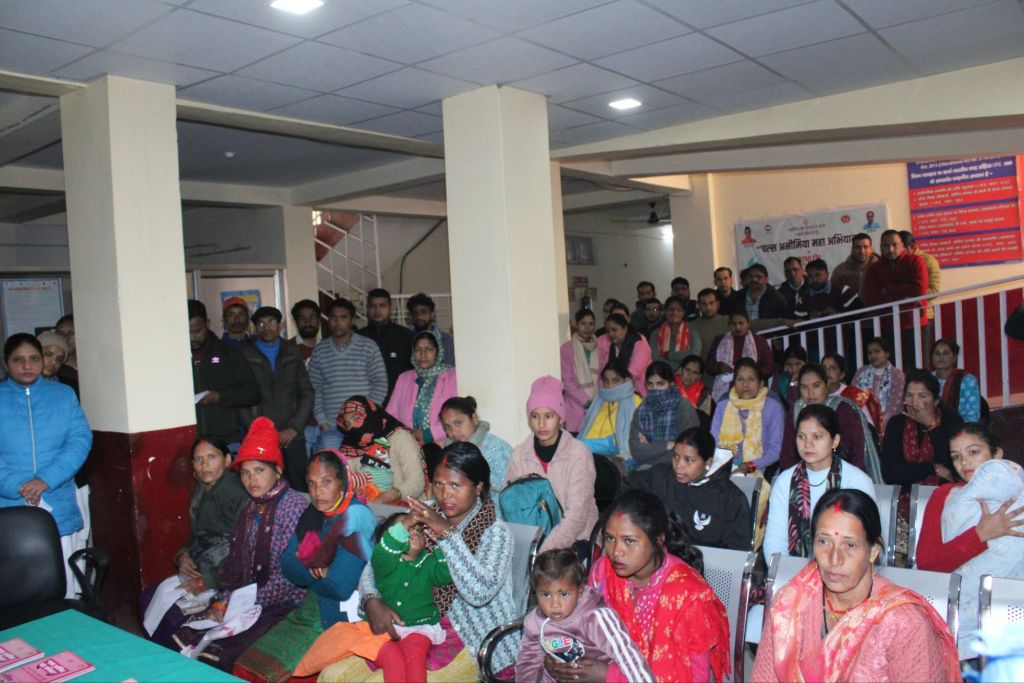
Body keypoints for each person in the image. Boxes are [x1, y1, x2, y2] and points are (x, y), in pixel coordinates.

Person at [335, 442, 520, 680]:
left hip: (469, 636)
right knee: (334, 675)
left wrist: (447, 535)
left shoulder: (495, 534)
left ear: (478, 487)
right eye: (438, 484)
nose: (445, 494)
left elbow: (479, 593)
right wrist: (371, 599)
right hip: (410, 620)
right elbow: (379, 561)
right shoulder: (424, 512)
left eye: (455, 485)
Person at [753, 488, 960, 682]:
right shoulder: (790, 606)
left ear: (873, 551)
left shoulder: (904, 624)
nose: (834, 559)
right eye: (824, 542)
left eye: (850, 545)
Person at [171, 417, 309, 671]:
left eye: (259, 470)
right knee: (188, 634)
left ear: (278, 471)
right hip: (246, 597)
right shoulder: (251, 508)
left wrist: (238, 601)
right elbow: (235, 564)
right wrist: (223, 600)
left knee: (221, 652)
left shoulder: (293, 508)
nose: (251, 479)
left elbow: (289, 578)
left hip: (284, 600)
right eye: (245, 472)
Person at [232, 451, 376, 683]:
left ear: (343, 481)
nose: (318, 492)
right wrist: (318, 569)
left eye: (326, 482)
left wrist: (305, 562)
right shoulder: (314, 513)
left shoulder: (357, 519)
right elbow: (287, 565)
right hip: (309, 606)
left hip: (338, 617)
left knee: (275, 676)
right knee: (245, 667)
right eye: (312, 483)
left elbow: (339, 588)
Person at [578, 490, 732, 682]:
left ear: (658, 540)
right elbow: (586, 631)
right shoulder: (603, 572)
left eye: (629, 541)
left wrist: (609, 676)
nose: (616, 551)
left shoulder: (689, 597)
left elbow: (696, 677)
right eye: (610, 539)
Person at [0, 333, 92, 598]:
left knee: (62, 585)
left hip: (56, 500)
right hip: (10, 506)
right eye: (18, 360)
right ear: (6, 363)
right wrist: (18, 486)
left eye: (33, 359)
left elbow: (80, 441)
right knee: (16, 587)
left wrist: (46, 480)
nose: (27, 366)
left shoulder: (63, 395)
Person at [916, 423, 1024, 638]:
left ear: (997, 455)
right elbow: (927, 563)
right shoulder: (944, 497)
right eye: (956, 457)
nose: (964, 462)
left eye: (973, 452)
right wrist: (980, 535)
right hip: (957, 613)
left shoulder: (1018, 495)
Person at [140, 436, 249, 646]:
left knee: (173, 616)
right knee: (149, 597)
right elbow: (198, 536)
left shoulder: (237, 495)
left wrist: (206, 580)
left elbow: (243, 550)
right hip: (202, 566)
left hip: (225, 578)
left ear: (227, 460)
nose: (204, 465)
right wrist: (183, 555)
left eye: (211, 457)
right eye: (198, 459)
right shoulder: (202, 490)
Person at [515, 549, 653, 682]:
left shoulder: (596, 618)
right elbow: (528, 664)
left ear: (579, 590)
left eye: (564, 594)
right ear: (535, 591)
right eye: (546, 595)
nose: (555, 604)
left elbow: (628, 656)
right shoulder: (535, 622)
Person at [763, 405, 876, 560]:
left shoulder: (857, 481)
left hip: (845, 566)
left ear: (835, 441)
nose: (807, 444)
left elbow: (866, 540)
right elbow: (774, 542)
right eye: (801, 436)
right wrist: (788, 572)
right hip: (794, 570)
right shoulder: (785, 481)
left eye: (817, 437)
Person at [506, 376, 598, 553]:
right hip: (532, 540)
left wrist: (541, 552)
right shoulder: (519, 455)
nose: (541, 424)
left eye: (549, 416)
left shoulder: (578, 453)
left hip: (577, 539)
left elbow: (576, 517)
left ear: (560, 418)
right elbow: (512, 507)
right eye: (535, 416)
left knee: (552, 569)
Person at [625, 427, 751, 550]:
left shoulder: (730, 498)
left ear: (708, 463)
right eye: (676, 456)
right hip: (662, 556)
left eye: (689, 460)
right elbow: (625, 486)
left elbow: (737, 550)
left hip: (706, 561)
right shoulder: (661, 477)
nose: (678, 466)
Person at [365, 510, 454, 683]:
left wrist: (441, 543)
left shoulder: (428, 562)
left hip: (420, 626)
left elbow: (446, 575)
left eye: (418, 530)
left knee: (415, 657)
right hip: (386, 627)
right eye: (406, 528)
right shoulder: (384, 563)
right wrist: (406, 523)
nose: (414, 531)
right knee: (393, 662)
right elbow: (385, 549)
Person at [239, 305, 315, 492]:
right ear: (255, 328)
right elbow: (239, 399)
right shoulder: (244, 353)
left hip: (292, 435)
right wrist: (258, 430)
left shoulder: (292, 352)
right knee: (264, 487)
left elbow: (307, 392)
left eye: (271, 322)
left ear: (280, 325)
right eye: (261, 323)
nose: (267, 327)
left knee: (299, 487)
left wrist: (295, 427)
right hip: (259, 436)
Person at [780, 364, 883, 483]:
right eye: (804, 387)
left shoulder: (843, 409)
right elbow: (788, 455)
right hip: (803, 478)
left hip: (844, 477)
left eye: (816, 386)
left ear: (827, 385)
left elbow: (856, 455)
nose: (810, 393)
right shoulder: (796, 411)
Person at [309, 297, 388, 451]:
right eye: (333, 317)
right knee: (331, 466)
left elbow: (380, 383)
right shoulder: (319, 351)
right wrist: (322, 421)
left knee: (365, 466)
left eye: (343, 317)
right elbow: (315, 388)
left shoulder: (368, 346)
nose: (337, 322)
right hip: (332, 428)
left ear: (351, 320)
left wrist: (366, 416)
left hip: (364, 426)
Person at [189, 299, 260, 445]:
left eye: (197, 331)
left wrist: (219, 397)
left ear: (208, 324)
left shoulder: (228, 353)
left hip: (227, 439)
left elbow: (252, 393)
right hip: (190, 439)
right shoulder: (173, 359)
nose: (193, 337)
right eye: (188, 332)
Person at [880, 369, 961, 488]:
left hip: (946, 491)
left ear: (936, 401)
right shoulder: (897, 423)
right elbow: (890, 473)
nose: (914, 403)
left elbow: (955, 465)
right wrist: (932, 468)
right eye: (909, 395)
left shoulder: (951, 421)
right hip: (907, 493)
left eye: (922, 396)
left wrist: (931, 426)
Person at [337, 396, 425, 504]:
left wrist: (392, 495)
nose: (352, 425)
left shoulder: (400, 437)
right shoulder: (350, 447)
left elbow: (417, 482)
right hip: (366, 506)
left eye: (356, 417)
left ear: (370, 413)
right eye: (347, 423)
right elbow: (344, 482)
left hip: (406, 505)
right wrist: (355, 491)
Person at [862, 230, 929, 365]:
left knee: (919, 368)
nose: (891, 249)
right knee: (892, 370)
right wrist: (905, 294)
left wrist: (888, 290)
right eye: (886, 245)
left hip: (914, 324)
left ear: (902, 245)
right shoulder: (874, 269)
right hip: (887, 327)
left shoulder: (915, 261)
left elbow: (919, 290)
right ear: (881, 247)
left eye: (894, 244)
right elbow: (871, 299)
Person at [710, 358, 784, 475]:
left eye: (751, 379)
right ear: (734, 383)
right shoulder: (722, 406)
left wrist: (750, 466)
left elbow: (776, 450)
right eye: (740, 379)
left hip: (760, 470)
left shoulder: (772, 407)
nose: (745, 384)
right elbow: (713, 442)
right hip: (724, 469)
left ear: (761, 384)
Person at [387, 331, 457, 447]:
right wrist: (407, 436)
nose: (423, 354)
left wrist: (427, 435)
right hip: (407, 445)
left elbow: (457, 415)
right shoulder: (404, 378)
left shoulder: (452, 376)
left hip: (443, 444)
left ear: (438, 352)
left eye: (428, 349)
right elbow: (390, 415)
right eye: (418, 349)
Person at [628, 361, 700, 468]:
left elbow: (688, 448)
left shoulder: (683, 407)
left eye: (660, 384)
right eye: (650, 384)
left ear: (671, 384)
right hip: (645, 466)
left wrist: (650, 449)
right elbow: (636, 450)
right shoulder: (641, 410)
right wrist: (667, 445)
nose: (655, 389)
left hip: (677, 468)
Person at [440, 396, 511, 493]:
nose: (454, 432)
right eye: (447, 427)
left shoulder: (496, 448)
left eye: (458, 423)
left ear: (474, 419)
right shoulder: (447, 454)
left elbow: (511, 491)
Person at [357, 288, 415, 403]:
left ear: (390, 308)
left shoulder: (405, 336)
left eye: (382, 305)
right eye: (373, 306)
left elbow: (414, 371)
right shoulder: (358, 338)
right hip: (368, 402)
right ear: (367, 308)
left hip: (400, 401)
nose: (377, 310)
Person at [578, 361, 642, 461]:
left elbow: (637, 435)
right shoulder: (599, 398)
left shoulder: (635, 401)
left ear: (625, 380)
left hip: (616, 451)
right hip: (589, 449)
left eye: (615, 381)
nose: (610, 386)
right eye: (606, 381)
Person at [705, 310, 774, 401]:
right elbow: (709, 365)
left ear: (748, 324)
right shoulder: (719, 340)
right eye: (734, 324)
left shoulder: (759, 341)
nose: (737, 327)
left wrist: (752, 372)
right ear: (729, 325)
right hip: (726, 392)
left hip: (752, 390)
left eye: (741, 323)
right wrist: (721, 367)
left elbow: (769, 367)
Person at [851, 337, 905, 433]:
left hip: (890, 427)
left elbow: (895, 406)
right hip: (863, 425)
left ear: (887, 353)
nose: (873, 355)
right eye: (870, 353)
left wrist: (878, 426)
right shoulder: (861, 373)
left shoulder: (897, 375)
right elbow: (853, 399)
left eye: (877, 351)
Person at [560, 308, 600, 434]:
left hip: (598, 404)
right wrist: (586, 401)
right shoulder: (567, 348)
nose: (587, 328)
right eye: (583, 323)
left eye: (590, 324)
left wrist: (596, 402)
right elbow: (567, 381)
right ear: (576, 325)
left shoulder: (601, 347)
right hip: (574, 407)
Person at [596, 313, 652, 398]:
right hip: (612, 391)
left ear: (625, 328)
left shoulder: (640, 343)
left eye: (614, 330)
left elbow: (634, 372)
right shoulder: (608, 344)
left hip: (638, 392)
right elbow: (603, 370)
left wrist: (616, 384)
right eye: (608, 331)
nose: (610, 334)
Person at [823, 353, 882, 433]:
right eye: (824, 368)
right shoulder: (814, 395)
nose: (827, 371)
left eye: (833, 368)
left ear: (842, 375)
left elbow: (868, 427)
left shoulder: (855, 395)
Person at [930, 338, 982, 423]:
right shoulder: (927, 378)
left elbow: (972, 418)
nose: (941, 357)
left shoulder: (967, 380)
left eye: (946, 353)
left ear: (954, 357)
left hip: (960, 427)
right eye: (937, 353)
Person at [727, 264, 793, 329]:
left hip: (768, 335)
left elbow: (785, 322)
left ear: (766, 279)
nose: (754, 279)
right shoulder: (737, 297)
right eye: (750, 276)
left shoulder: (776, 298)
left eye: (759, 277)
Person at [649, 295, 702, 372]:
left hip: (687, 375)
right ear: (665, 312)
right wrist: (678, 368)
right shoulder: (655, 333)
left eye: (678, 310)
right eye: (671, 309)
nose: (675, 313)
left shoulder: (692, 330)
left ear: (683, 312)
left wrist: (667, 355)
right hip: (663, 374)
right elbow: (655, 357)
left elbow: (694, 353)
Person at [691, 289, 730, 385]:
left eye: (711, 303)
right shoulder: (692, 327)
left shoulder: (728, 321)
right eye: (704, 304)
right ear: (699, 305)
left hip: (727, 376)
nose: (708, 307)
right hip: (702, 379)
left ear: (718, 304)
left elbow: (752, 324)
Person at [406, 293, 455, 367]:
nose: (419, 316)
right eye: (415, 313)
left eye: (423, 312)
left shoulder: (446, 340)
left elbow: (450, 368)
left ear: (432, 315)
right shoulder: (405, 339)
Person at [831, 232, 879, 301]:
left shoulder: (879, 269)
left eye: (865, 247)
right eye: (858, 247)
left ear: (871, 249)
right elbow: (834, 296)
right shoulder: (840, 271)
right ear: (852, 249)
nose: (862, 251)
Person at [675, 354, 713, 422]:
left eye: (695, 373)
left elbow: (705, 421)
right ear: (680, 370)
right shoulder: (669, 387)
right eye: (687, 370)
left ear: (699, 377)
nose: (690, 375)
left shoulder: (704, 394)